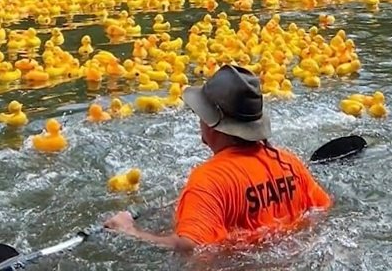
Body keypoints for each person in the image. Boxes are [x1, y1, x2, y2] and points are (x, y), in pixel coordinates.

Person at [102, 64, 332, 252]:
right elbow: (322, 209)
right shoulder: (289, 163)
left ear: (212, 123)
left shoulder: (208, 181)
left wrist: (130, 232)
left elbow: (190, 247)